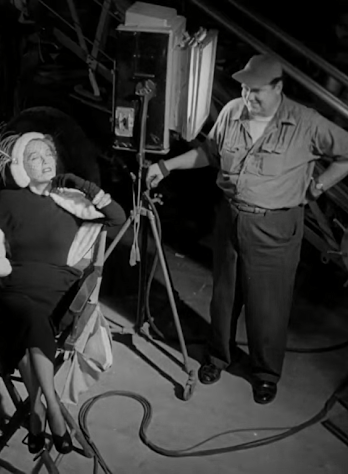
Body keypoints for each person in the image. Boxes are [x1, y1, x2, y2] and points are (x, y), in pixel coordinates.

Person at [146, 54, 348, 404]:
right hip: (231, 216)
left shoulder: (306, 123)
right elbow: (209, 153)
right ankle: (217, 357)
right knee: (224, 295)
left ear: (278, 88)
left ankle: (265, 373)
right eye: (244, 89)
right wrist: (166, 166)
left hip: (274, 226)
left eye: (257, 91)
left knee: (268, 304)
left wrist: (318, 186)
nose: (248, 97)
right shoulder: (232, 112)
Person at [0, 127, 125, 453]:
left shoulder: (71, 199)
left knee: (29, 325)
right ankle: (53, 408)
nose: (45, 161)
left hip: (59, 291)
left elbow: (117, 217)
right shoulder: (9, 199)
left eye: (48, 154)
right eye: (35, 157)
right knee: (28, 317)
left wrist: (82, 185)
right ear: (22, 167)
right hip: (16, 286)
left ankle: (36, 410)